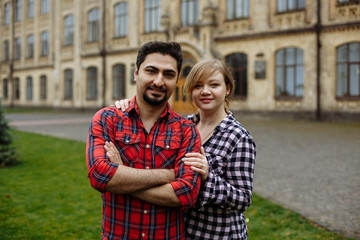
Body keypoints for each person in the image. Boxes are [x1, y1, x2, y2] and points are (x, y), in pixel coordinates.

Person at [111, 59, 256, 239]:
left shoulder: (239, 137)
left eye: (214, 85)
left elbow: (242, 199)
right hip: (177, 232)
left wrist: (207, 177)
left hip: (216, 235)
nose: (205, 91)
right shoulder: (182, 126)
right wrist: (128, 106)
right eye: (197, 86)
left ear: (227, 89)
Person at [86, 41, 202, 240]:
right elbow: (100, 175)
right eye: (151, 71)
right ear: (136, 73)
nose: (159, 81)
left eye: (168, 74)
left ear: (176, 80)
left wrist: (122, 177)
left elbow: (186, 193)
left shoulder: (186, 131)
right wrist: (170, 174)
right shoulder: (108, 119)